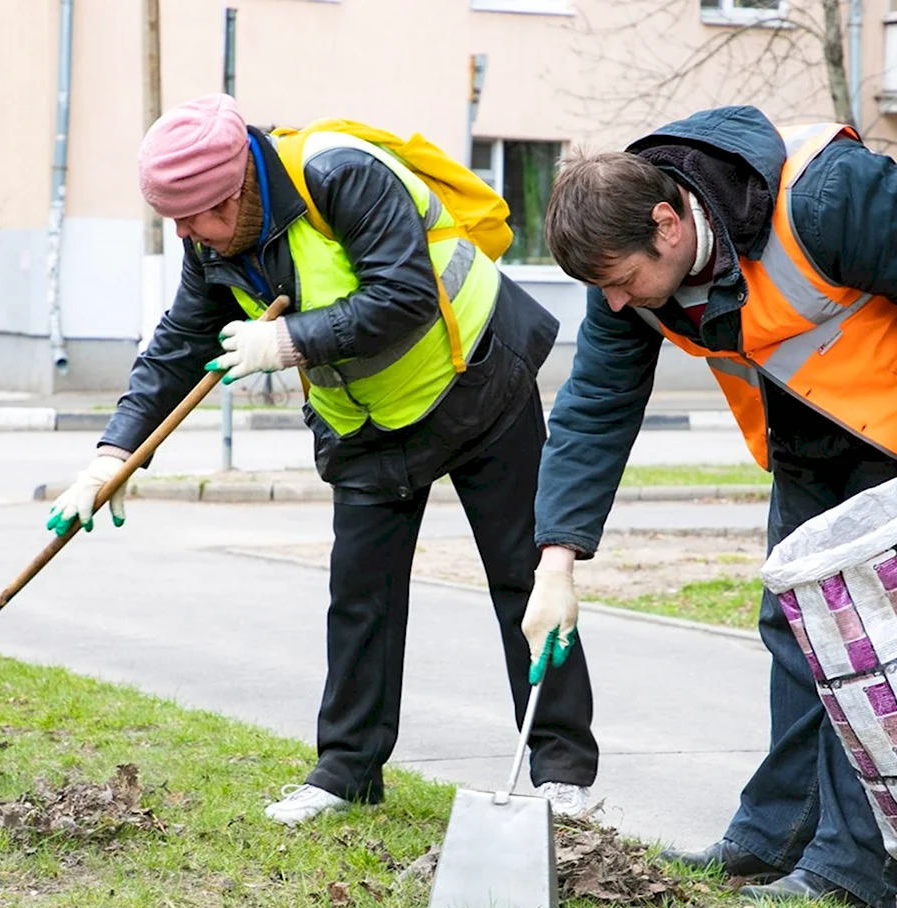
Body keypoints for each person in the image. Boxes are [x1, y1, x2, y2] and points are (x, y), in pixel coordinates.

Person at [46, 94, 598, 826]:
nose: (187, 235)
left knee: (523, 580)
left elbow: (403, 293)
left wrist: (288, 342)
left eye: (196, 216)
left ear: (239, 185)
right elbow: (180, 343)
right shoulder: (212, 235)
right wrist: (112, 456)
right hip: (368, 425)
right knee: (359, 596)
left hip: (478, 383)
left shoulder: (340, 175)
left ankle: (562, 774)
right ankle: (346, 772)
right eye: (174, 221)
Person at [518, 105, 897, 908]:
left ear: (667, 224)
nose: (612, 302)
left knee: (873, 646)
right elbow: (594, 409)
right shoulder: (629, 283)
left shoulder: (825, 194)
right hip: (806, 444)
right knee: (795, 631)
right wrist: (555, 562)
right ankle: (775, 834)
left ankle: (851, 872)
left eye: (618, 280)